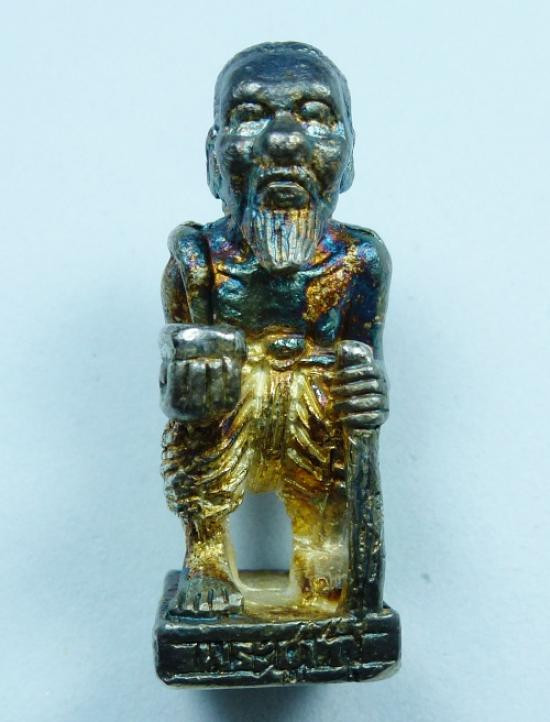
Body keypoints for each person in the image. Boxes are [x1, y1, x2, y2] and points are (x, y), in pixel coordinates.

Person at [160, 41, 390, 615]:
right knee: (215, 390)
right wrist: (190, 372)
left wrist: (369, 392)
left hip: (312, 420)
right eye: (249, 115)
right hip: (230, 421)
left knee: (327, 393)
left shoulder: (358, 261)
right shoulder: (198, 263)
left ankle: (320, 544)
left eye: (315, 116)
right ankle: (206, 553)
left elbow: (368, 360)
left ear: (349, 153)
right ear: (213, 155)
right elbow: (175, 383)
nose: (285, 141)